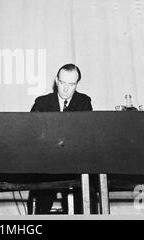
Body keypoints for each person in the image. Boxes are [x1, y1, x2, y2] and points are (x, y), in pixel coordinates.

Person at [27, 63, 95, 214]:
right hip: (46, 165)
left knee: (85, 197)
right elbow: (33, 136)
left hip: (74, 165)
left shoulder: (84, 102)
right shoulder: (41, 103)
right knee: (42, 201)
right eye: (62, 83)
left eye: (71, 84)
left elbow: (86, 138)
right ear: (56, 81)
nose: (65, 89)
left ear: (77, 84)